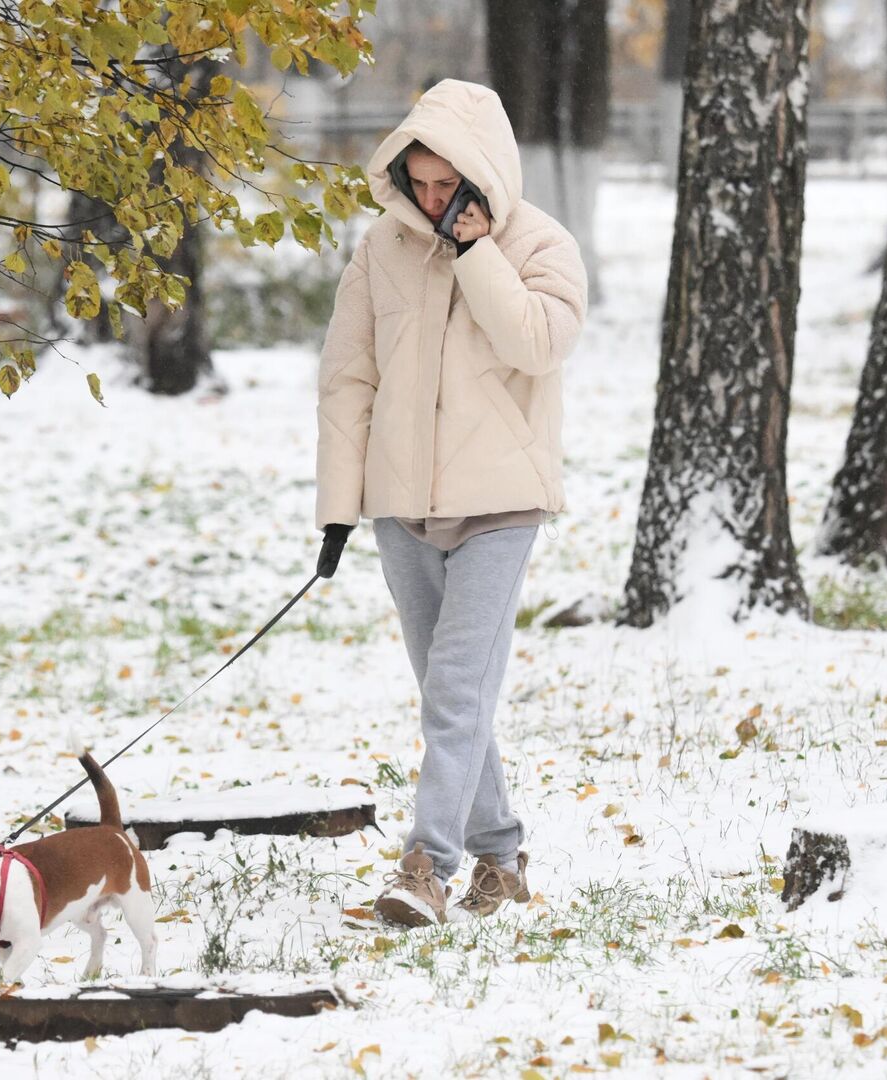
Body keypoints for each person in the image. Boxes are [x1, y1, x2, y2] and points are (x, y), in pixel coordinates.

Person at [313, 79, 588, 926]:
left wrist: (477, 253)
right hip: (402, 505)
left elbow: (538, 345)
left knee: (456, 692)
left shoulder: (542, 245)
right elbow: (348, 377)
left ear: (481, 176)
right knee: (448, 690)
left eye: (448, 184)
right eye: (421, 183)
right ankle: (500, 857)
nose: (432, 200)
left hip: (500, 506)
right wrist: (337, 508)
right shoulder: (379, 251)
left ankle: (425, 868)